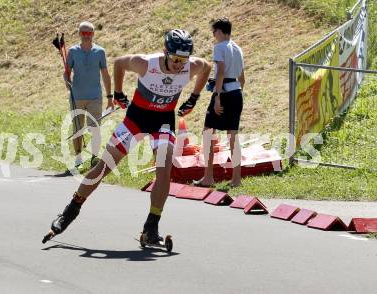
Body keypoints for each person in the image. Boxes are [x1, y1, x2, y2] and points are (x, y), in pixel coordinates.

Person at [44, 29, 211, 244]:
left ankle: (151, 227)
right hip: (137, 119)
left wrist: (194, 98)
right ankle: (70, 210)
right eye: (176, 59)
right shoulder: (146, 63)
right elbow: (120, 63)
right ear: (165, 52)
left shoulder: (192, 65)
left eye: (184, 59)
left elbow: (206, 67)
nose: (180, 65)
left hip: (163, 121)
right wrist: (119, 93)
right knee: (104, 167)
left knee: (164, 170)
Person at [194, 17, 245, 188]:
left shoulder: (219, 47)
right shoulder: (238, 48)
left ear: (220, 31)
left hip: (224, 93)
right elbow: (242, 78)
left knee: (208, 132)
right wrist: (236, 93)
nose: (213, 35)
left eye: (214, 31)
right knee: (233, 136)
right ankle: (236, 179)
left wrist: (217, 96)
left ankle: (208, 177)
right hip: (237, 92)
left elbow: (221, 72)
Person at [64, 21, 114, 170]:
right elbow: (66, 72)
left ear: (93, 34)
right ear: (79, 34)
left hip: (95, 97)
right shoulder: (72, 51)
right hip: (77, 97)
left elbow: (105, 74)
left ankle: (94, 157)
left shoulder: (100, 52)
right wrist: (67, 80)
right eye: (84, 33)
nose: (86, 36)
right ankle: (78, 158)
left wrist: (110, 97)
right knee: (77, 128)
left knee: (95, 128)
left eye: (89, 33)